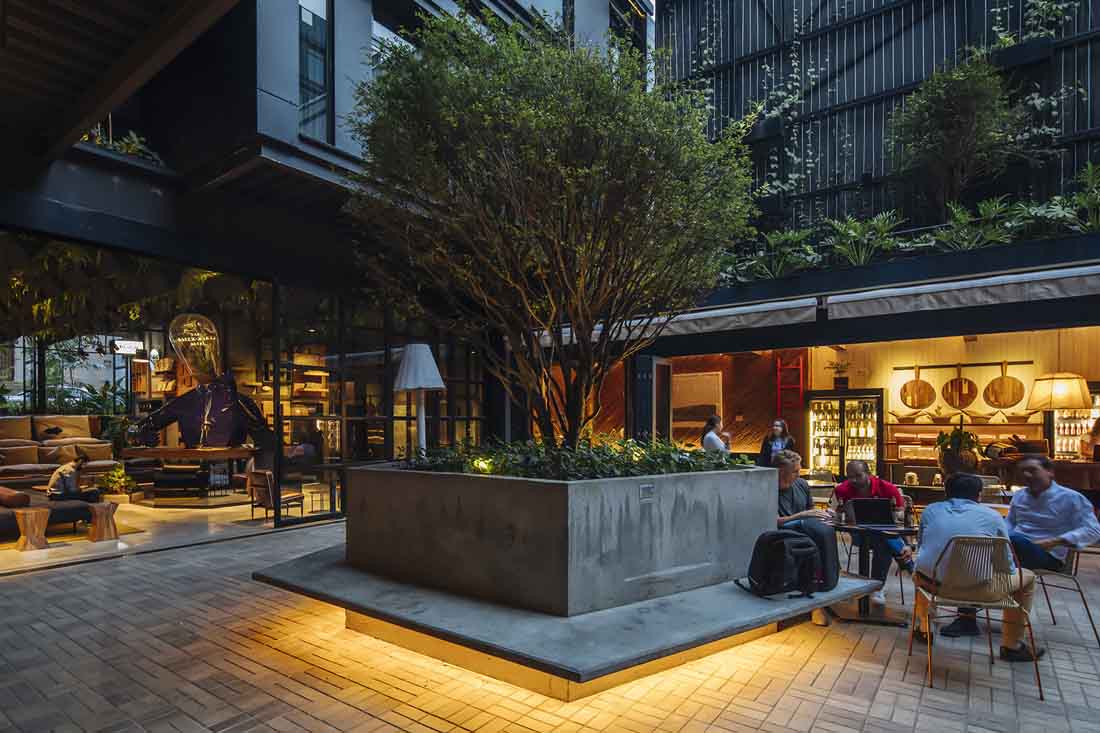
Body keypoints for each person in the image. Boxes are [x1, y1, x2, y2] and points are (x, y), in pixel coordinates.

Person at [912, 473, 1043, 661]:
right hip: (979, 591)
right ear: (979, 495)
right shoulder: (993, 516)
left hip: (932, 587)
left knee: (921, 572)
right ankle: (1012, 645)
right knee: (1027, 577)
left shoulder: (930, 511)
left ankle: (925, 629)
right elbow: (1006, 566)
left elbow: (922, 546)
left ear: (946, 492)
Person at [833, 460, 914, 604]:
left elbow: (901, 520)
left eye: (858, 476)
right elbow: (836, 515)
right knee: (883, 538)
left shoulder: (888, 488)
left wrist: (908, 541)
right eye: (850, 476)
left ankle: (876, 587)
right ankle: (903, 565)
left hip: (886, 534)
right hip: (858, 534)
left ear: (869, 474)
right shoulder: (841, 490)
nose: (853, 480)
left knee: (882, 540)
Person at [1008, 454, 1100, 572]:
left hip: (1048, 555)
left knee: (1013, 543)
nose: (1026, 475)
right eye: (1022, 471)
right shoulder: (1019, 495)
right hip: (1016, 547)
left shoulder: (1071, 498)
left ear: (1050, 472)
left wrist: (1055, 541)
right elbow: (1010, 522)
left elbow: (1093, 530)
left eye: (1032, 470)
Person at [773, 450, 830, 528]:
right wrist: (802, 515)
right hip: (782, 534)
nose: (798, 475)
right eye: (795, 471)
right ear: (781, 472)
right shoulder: (769, 491)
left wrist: (824, 514)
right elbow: (774, 522)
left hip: (805, 531)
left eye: (799, 470)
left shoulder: (802, 484)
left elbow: (811, 512)